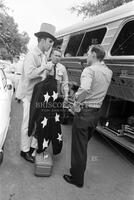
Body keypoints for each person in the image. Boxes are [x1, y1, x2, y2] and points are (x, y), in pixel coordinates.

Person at [63, 44, 113, 188]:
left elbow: (85, 88)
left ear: (93, 54)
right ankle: (78, 173)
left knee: (79, 148)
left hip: (85, 113)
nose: (86, 55)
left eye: (87, 52)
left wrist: (76, 103)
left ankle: (77, 179)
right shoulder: (108, 72)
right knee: (83, 145)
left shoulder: (89, 70)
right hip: (96, 113)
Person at [19, 23, 56, 163]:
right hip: (29, 96)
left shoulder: (43, 56)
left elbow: (42, 76)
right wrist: (43, 68)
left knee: (34, 124)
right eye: (50, 41)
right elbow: (29, 74)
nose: (51, 45)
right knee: (27, 124)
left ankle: (30, 148)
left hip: (37, 96)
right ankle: (24, 151)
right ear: (42, 39)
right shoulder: (32, 55)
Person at [28, 47, 69, 154]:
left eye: (59, 56)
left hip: (56, 101)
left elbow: (65, 83)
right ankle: (33, 149)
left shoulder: (62, 69)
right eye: (55, 55)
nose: (57, 57)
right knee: (41, 124)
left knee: (54, 124)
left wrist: (66, 96)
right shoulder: (45, 66)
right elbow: (39, 82)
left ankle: (45, 146)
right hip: (44, 101)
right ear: (51, 55)